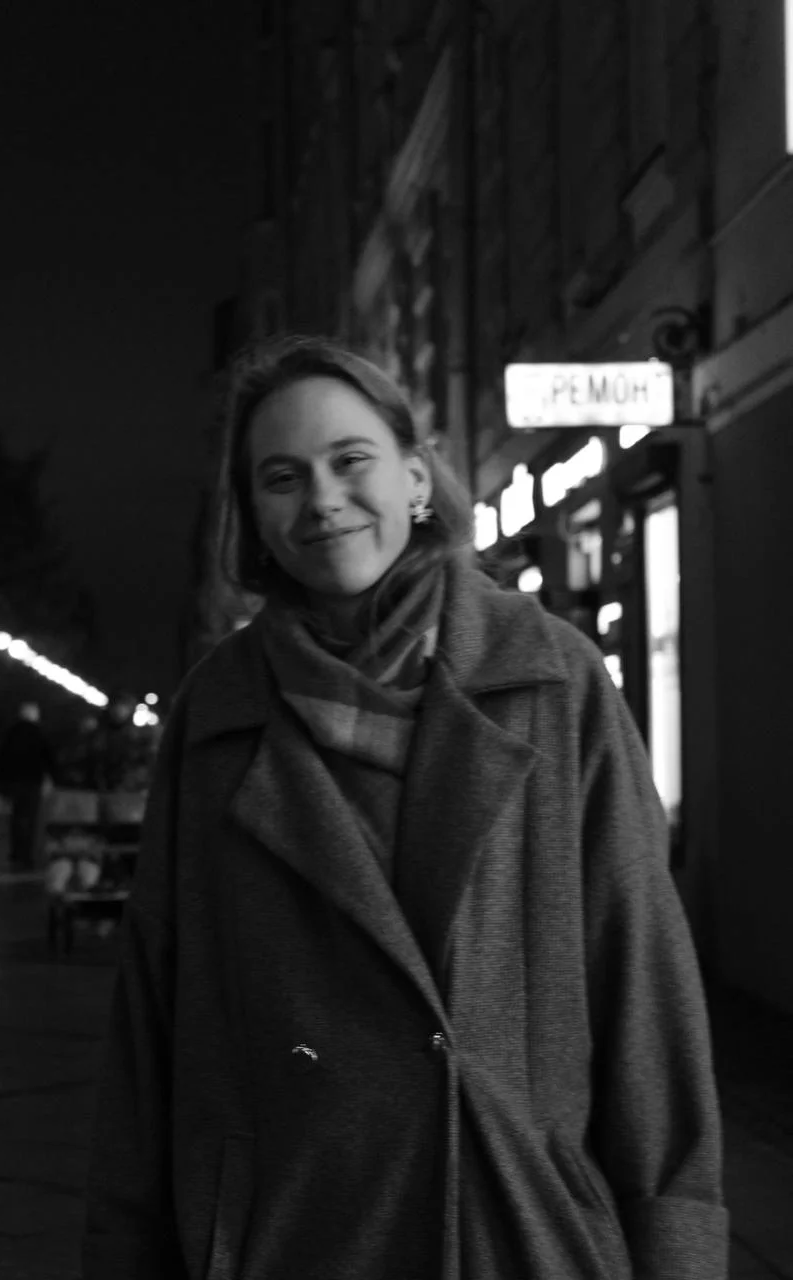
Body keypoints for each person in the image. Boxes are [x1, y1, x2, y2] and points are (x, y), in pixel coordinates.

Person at [82, 336, 728, 1279]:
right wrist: (126, 1247)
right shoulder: (216, 714)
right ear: (252, 519)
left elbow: (640, 975)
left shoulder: (551, 679)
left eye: (350, 461)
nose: (322, 499)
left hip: (513, 1222)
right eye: (281, 478)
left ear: (416, 479)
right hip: (289, 1230)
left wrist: (675, 1247)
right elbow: (153, 1007)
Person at [0, 701, 54, 868]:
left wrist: (1, 782)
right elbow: (48, 757)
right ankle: (28, 855)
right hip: (33, 782)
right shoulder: (39, 733)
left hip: (14, 782)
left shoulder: (11, 733)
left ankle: (16, 853)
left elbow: (1, 758)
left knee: (16, 817)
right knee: (31, 819)